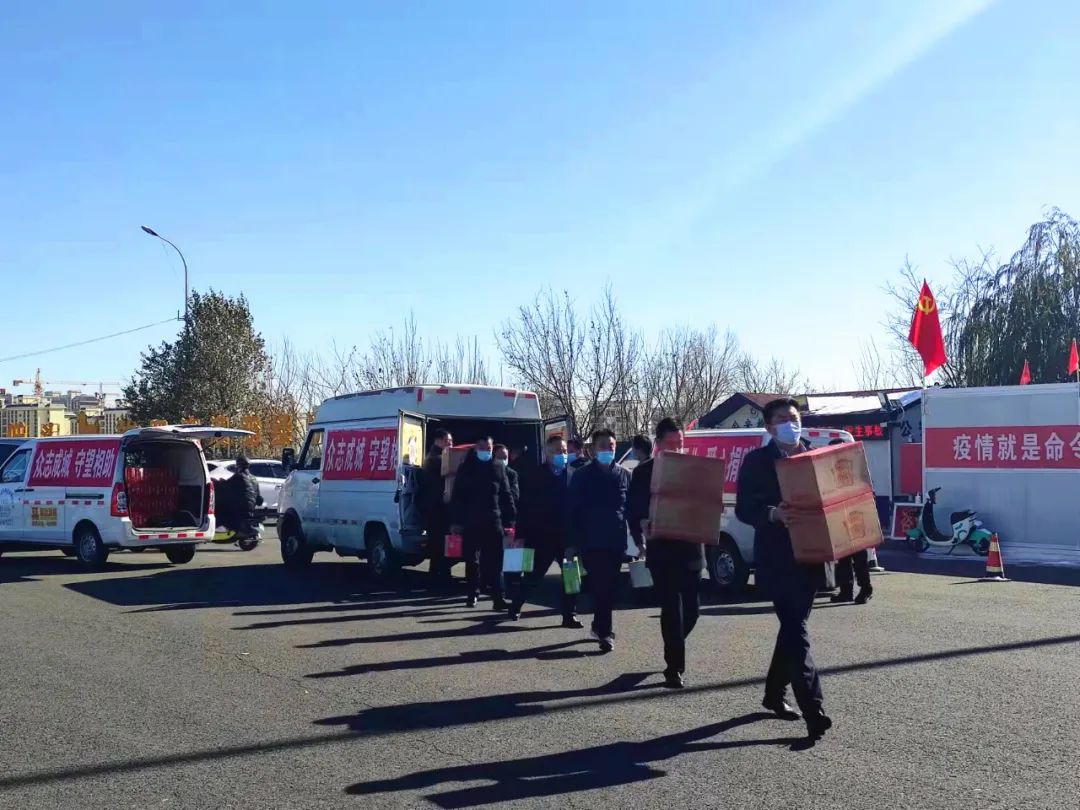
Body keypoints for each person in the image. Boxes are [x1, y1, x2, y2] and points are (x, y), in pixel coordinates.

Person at [736, 398, 833, 741]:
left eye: (794, 417)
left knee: (793, 629)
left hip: (812, 555)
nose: (791, 423)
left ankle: (774, 693)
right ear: (769, 426)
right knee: (796, 631)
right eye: (783, 419)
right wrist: (773, 514)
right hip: (777, 558)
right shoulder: (757, 461)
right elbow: (744, 509)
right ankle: (813, 710)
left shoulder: (814, 456)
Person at [627, 418, 702, 689]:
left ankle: (673, 641)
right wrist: (642, 527)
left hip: (691, 548)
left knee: (692, 611)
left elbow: (706, 500)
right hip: (662, 549)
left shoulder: (695, 469)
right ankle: (674, 668)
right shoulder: (644, 472)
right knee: (671, 607)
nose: (676, 448)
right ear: (657, 443)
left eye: (679, 443)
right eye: (670, 443)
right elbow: (633, 508)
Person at [508, 435, 583, 627]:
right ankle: (516, 604)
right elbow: (524, 507)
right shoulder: (535, 475)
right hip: (541, 535)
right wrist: (521, 535)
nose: (562, 454)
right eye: (558, 451)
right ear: (547, 453)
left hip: (567, 536)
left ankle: (570, 614)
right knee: (533, 576)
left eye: (564, 451)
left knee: (571, 577)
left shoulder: (573, 475)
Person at [567, 428, 631, 653]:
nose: (607, 450)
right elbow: (572, 511)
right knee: (601, 586)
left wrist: (640, 541)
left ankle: (599, 626)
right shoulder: (582, 475)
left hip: (616, 540)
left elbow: (631, 509)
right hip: (591, 540)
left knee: (609, 588)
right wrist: (571, 544)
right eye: (602, 446)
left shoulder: (624, 475)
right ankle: (605, 633)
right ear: (592, 449)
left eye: (611, 446)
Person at [451, 437, 517, 610]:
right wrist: (456, 521)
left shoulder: (498, 467)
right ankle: (472, 594)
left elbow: (506, 494)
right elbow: (457, 497)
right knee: (472, 560)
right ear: (476, 449)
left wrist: (510, 519)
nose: (486, 451)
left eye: (488, 448)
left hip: (493, 520)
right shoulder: (466, 468)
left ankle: (497, 597)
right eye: (482, 448)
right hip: (471, 521)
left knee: (495, 561)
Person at [827, 440, 873, 605]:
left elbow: (868, 491)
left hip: (856, 516)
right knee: (843, 558)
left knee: (859, 558)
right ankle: (846, 591)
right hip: (838, 518)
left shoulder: (856, 468)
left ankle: (866, 589)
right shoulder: (829, 470)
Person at [420, 428, 454, 583]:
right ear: (438, 441)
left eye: (451, 441)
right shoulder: (436, 459)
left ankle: (437, 573)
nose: (451, 444)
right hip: (436, 508)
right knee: (439, 543)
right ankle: (439, 574)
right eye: (448, 441)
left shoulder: (437, 457)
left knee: (439, 542)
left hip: (437, 507)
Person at [219, 455, 260, 533]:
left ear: (238, 465)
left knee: (221, 509)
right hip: (252, 509)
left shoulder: (238, 476)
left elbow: (227, 485)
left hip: (240, 509)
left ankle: (222, 528)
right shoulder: (254, 478)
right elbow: (259, 498)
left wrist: (219, 482)